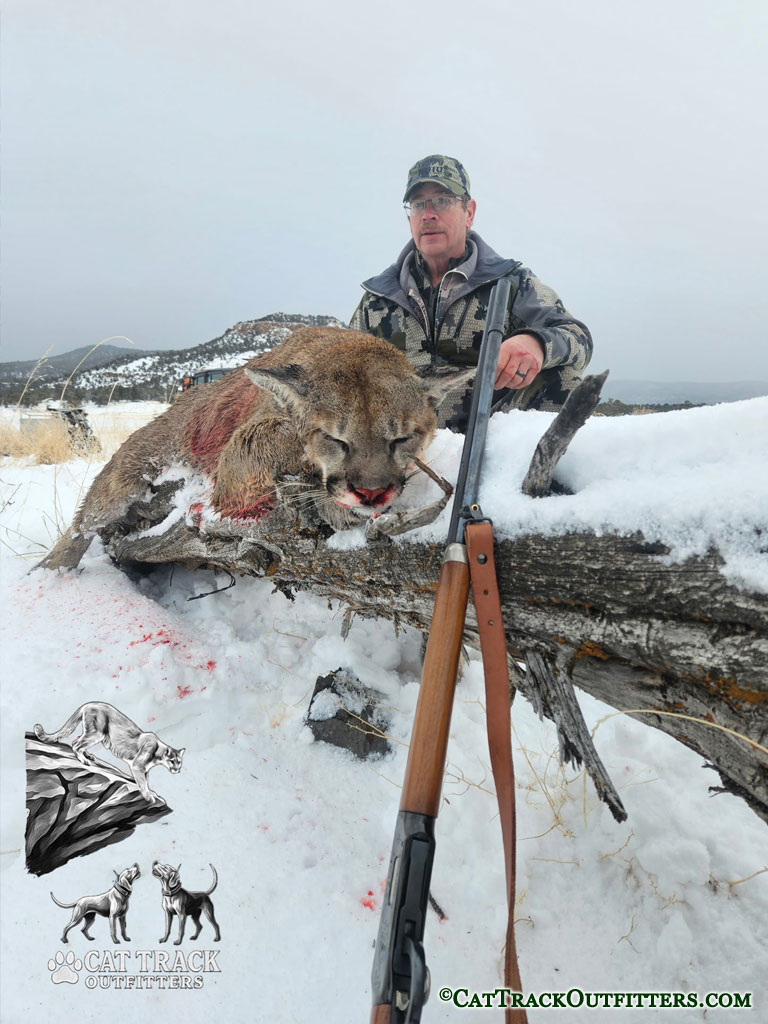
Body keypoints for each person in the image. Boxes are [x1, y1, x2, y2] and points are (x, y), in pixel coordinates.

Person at [350, 155, 593, 432]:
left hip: (491, 437)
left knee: (565, 381)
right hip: (398, 445)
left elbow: (579, 337)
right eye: (418, 205)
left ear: (469, 212)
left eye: (442, 200)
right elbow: (340, 368)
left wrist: (535, 343)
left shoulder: (511, 282)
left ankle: (542, 473)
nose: (428, 214)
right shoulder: (378, 299)